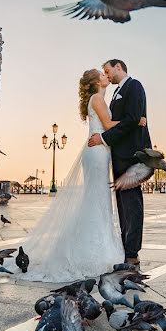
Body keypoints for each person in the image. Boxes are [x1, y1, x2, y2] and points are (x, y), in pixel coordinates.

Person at [19, 68, 145, 282]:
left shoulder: (100, 99)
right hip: (96, 154)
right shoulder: (97, 98)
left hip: (99, 152)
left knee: (97, 199)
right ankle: (93, 252)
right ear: (96, 81)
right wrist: (136, 122)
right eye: (102, 74)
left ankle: (94, 247)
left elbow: (107, 126)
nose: (106, 75)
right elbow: (107, 125)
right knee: (96, 199)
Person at [88, 59, 151, 267]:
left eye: (107, 70)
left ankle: (132, 252)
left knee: (132, 204)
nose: (107, 74)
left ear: (118, 67)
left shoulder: (134, 86)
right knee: (123, 205)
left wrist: (104, 138)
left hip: (131, 154)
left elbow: (132, 118)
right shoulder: (114, 94)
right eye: (103, 72)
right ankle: (126, 247)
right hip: (118, 155)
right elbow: (125, 120)